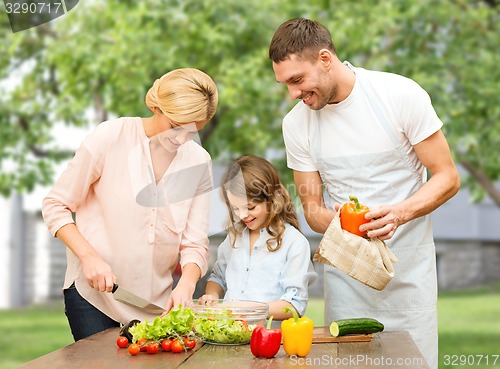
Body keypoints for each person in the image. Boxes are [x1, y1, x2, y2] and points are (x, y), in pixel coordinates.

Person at [268, 18, 460, 369]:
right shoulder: (296, 124)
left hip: (409, 276)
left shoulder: (399, 95)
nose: (293, 94)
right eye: (285, 84)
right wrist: (342, 221)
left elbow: (447, 177)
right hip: (347, 282)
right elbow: (312, 208)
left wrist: (400, 213)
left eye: (297, 80)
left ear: (325, 59)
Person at [42, 68, 218, 341]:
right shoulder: (110, 137)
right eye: (175, 126)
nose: (181, 139)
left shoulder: (198, 162)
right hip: (94, 297)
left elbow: (195, 244)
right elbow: (55, 205)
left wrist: (186, 284)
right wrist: (88, 257)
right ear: (154, 106)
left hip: (155, 306)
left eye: (193, 131)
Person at [199, 155, 317, 320]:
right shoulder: (235, 237)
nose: (242, 215)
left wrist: (247, 309)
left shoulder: (294, 243)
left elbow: (294, 306)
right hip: (230, 336)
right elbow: (218, 277)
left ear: (272, 199)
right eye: (235, 209)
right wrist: (212, 295)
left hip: (269, 340)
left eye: (250, 207)